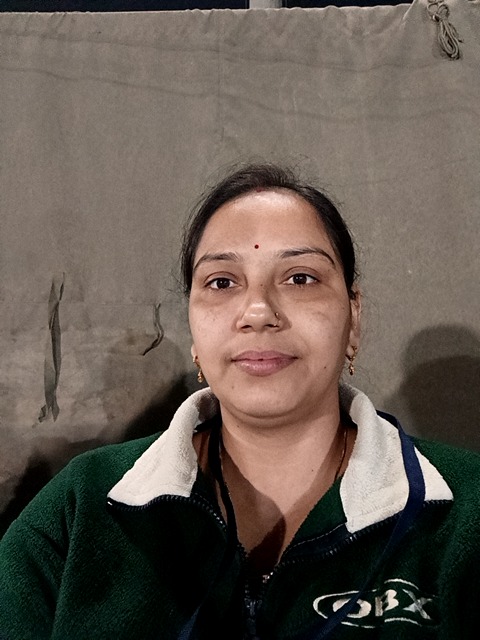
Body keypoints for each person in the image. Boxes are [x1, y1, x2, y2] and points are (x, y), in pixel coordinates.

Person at [1, 163, 479, 640]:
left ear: (354, 318)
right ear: (193, 330)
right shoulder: (79, 509)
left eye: (300, 278)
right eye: (222, 282)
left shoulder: (468, 513)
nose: (258, 312)